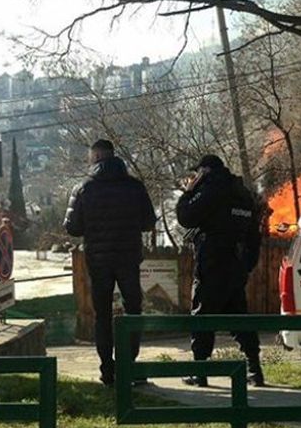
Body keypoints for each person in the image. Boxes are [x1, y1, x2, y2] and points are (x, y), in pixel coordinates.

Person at [64, 139, 156, 386]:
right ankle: (130, 364)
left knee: (102, 315)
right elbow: (149, 221)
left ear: (95, 157)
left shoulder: (84, 188)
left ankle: (107, 370)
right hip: (128, 257)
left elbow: (72, 227)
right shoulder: (135, 187)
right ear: (114, 156)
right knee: (133, 310)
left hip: (99, 260)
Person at [176, 154, 264, 387]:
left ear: (204, 171)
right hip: (235, 267)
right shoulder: (242, 194)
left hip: (211, 264)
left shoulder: (211, 190)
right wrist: (246, 266)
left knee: (202, 318)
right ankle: (255, 369)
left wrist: (188, 191)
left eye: (197, 173)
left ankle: (200, 372)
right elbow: (255, 236)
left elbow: (185, 216)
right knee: (239, 318)